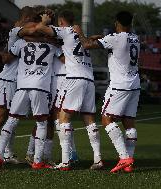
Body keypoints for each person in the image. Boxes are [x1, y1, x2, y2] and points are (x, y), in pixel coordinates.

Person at [35, 10, 103, 171]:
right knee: (89, 119)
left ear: (60, 22)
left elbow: (40, 29)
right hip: (89, 79)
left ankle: (65, 161)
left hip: (74, 78)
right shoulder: (81, 35)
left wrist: (44, 21)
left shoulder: (65, 31)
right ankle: (98, 159)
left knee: (63, 117)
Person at [73, 10, 139, 173]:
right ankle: (129, 163)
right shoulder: (136, 38)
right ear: (131, 23)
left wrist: (80, 33)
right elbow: (115, 48)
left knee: (106, 119)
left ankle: (124, 157)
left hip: (119, 85)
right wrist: (99, 38)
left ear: (117, 23)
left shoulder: (115, 38)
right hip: (134, 84)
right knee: (128, 122)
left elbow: (87, 45)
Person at [0, 7, 36, 167]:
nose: (35, 26)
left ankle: (7, 154)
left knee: (12, 118)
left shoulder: (22, 35)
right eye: (33, 21)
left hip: (17, 82)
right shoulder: (16, 32)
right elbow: (7, 58)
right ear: (26, 18)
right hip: (8, 80)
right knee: (0, 117)